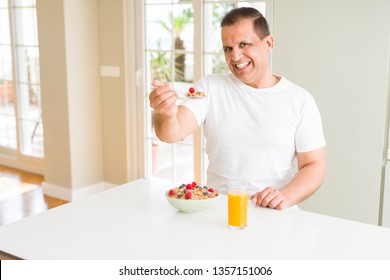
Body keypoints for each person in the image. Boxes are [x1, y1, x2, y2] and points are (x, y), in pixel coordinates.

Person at [149, 7, 326, 210]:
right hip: (219, 212)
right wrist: (165, 112)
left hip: (274, 214)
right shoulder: (210, 87)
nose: (235, 56)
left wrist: (284, 196)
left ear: (268, 43)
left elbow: (314, 165)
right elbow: (170, 133)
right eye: (228, 48)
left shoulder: (300, 100)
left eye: (243, 44)